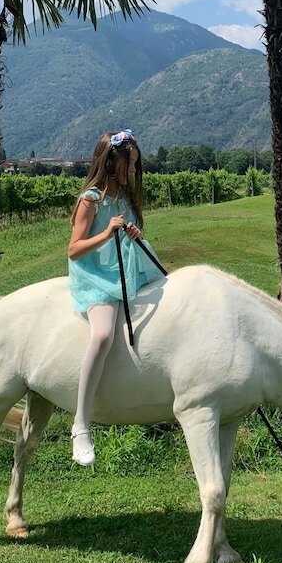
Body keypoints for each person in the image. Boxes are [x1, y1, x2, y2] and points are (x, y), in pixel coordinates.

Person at [67, 129, 164, 466]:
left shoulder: (126, 197)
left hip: (130, 265)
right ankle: (81, 423)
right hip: (98, 274)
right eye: (128, 164)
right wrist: (107, 233)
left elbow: (131, 232)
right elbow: (74, 249)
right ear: (109, 162)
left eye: (135, 165)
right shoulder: (91, 199)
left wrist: (134, 234)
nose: (132, 171)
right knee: (103, 334)